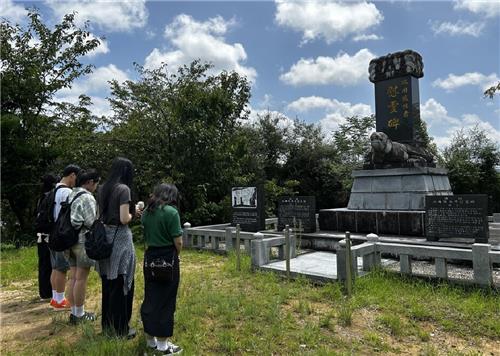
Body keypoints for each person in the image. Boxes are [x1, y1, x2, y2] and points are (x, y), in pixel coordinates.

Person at [141, 183, 183, 355]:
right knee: (166, 300)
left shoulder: (146, 212)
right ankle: (163, 346)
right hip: (167, 257)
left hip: (150, 256)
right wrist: (177, 255)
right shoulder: (171, 212)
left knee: (151, 297)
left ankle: (150, 340)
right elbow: (178, 241)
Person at [97, 157, 137, 338]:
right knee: (122, 282)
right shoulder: (124, 189)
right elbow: (124, 219)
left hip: (105, 237)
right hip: (120, 238)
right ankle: (121, 329)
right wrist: (134, 212)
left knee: (108, 283)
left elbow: (100, 215)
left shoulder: (102, 188)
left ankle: (107, 326)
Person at [66, 169, 100, 324]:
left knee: (73, 277)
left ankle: (74, 312)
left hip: (68, 240)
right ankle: (80, 315)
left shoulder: (71, 194)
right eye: (96, 183)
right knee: (81, 279)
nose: (96, 187)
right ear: (90, 182)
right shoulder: (87, 197)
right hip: (82, 241)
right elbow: (91, 222)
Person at [50, 164, 81, 310]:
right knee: (62, 268)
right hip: (62, 233)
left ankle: (55, 298)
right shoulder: (67, 192)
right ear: (72, 175)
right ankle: (61, 301)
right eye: (77, 177)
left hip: (52, 233)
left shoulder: (54, 190)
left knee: (55, 267)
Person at [36, 174, 58, 300]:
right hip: (49, 233)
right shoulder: (51, 196)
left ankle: (44, 292)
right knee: (50, 262)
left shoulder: (41, 197)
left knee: (43, 261)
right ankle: (49, 292)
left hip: (40, 233)